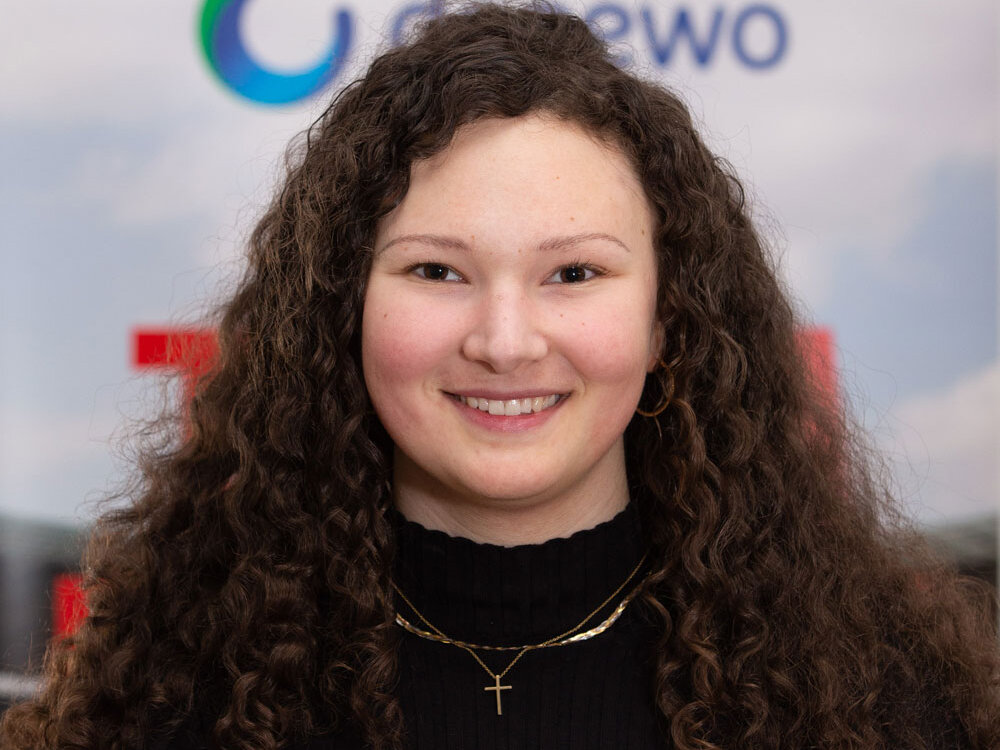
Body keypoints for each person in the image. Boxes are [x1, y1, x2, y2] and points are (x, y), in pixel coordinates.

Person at [3, 3, 999, 749]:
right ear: (344, 308)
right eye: (437, 271)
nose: (506, 340)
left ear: (667, 319)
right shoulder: (172, 693)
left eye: (575, 273)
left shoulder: (871, 699)